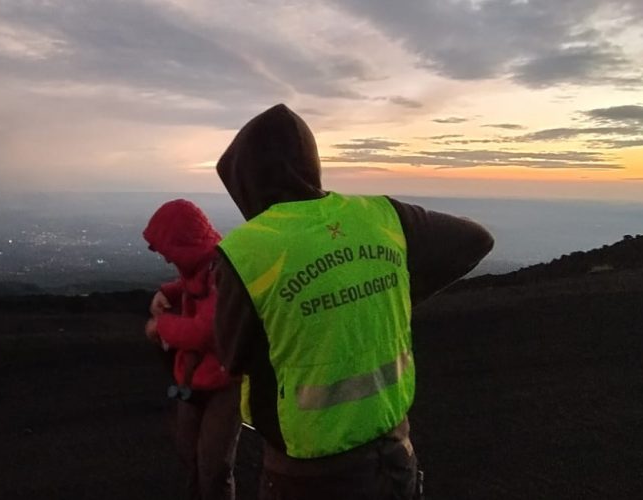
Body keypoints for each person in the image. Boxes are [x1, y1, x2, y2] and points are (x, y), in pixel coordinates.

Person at [213, 104, 495, 500]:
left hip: (307, 473)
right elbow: (475, 239)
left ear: (247, 179)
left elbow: (232, 357)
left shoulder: (248, 249)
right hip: (395, 452)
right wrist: (390, 291)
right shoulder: (379, 216)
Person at [143, 199, 242, 500]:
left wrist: (161, 326)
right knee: (192, 459)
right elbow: (191, 284)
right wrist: (167, 290)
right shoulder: (203, 263)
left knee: (213, 468)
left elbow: (206, 330)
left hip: (224, 384)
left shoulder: (221, 270)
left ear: (183, 244)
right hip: (196, 378)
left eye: (168, 252)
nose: (166, 259)